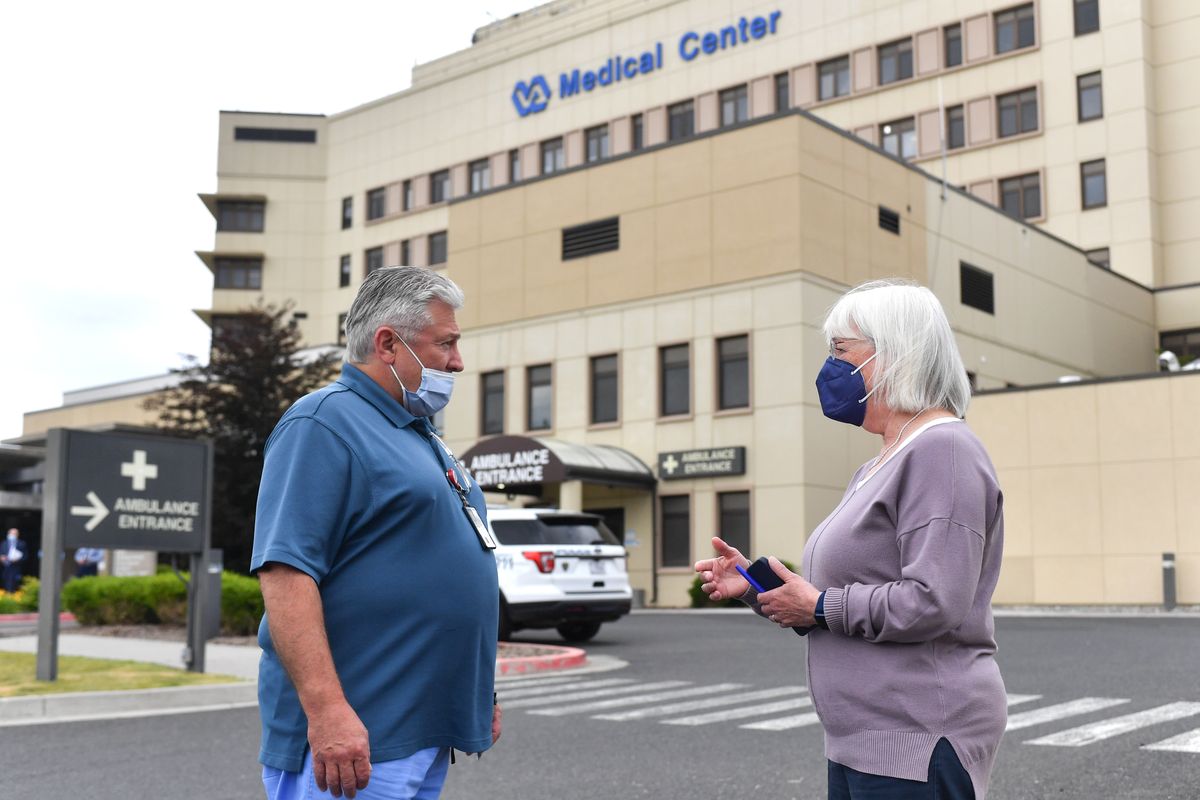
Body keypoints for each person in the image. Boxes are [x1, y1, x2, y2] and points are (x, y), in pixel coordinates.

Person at [696, 279, 1006, 800]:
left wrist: (819, 604)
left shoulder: (943, 449)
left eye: (841, 350)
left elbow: (934, 602)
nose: (830, 366)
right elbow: (844, 597)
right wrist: (756, 588)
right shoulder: (879, 462)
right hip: (861, 742)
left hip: (917, 740)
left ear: (895, 354)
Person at [252, 266, 501, 800]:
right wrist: (328, 713)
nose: (458, 361)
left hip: (421, 728)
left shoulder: (420, 435)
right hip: (359, 739)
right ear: (389, 344)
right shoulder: (321, 425)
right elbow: (285, 574)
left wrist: (481, 695)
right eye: (446, 344)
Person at [1, 528, 27, 593]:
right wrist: (2, 558)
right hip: (5, 569)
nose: (12, 535)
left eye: (14, 533)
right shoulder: (3, 543)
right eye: (11, 533)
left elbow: (25, 556)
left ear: (17, 535)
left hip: (16, 569)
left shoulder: (22, 544)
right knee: (5, 587)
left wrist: (17, 559)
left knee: (15, 587)